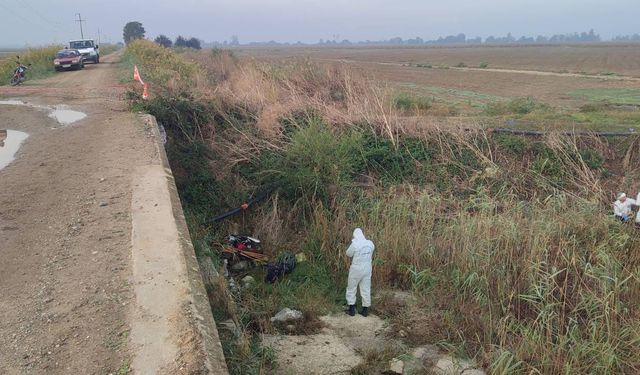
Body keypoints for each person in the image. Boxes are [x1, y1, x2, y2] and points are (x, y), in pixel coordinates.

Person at [345, 228, 375, 317]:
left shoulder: (355, 244)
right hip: (367, 268)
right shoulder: (370, 243)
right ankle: (365, 310)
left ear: (355, 235)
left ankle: (351, 309)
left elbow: (348, 254)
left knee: (352, 287)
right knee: (366, 288)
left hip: (356, 268)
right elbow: (372, 251)